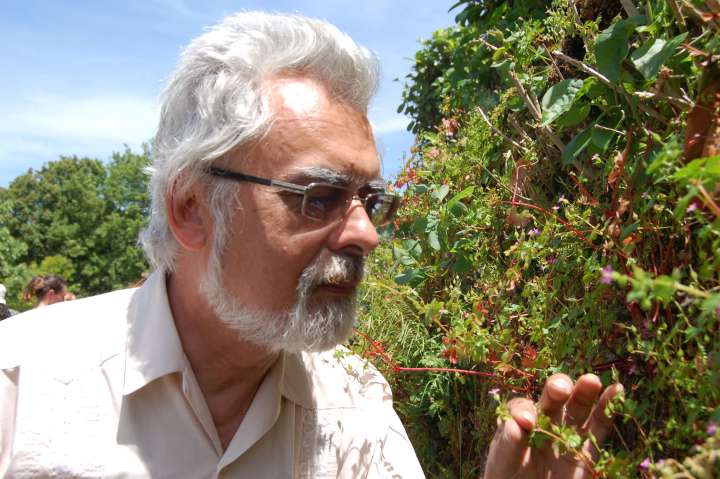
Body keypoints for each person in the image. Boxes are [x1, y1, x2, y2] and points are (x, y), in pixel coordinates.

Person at [0, 12, 621, 478]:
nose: (365, 233)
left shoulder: (358, 405)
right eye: (316, 197)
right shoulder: (21, 382)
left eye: (369, 200)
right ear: (191, 209)